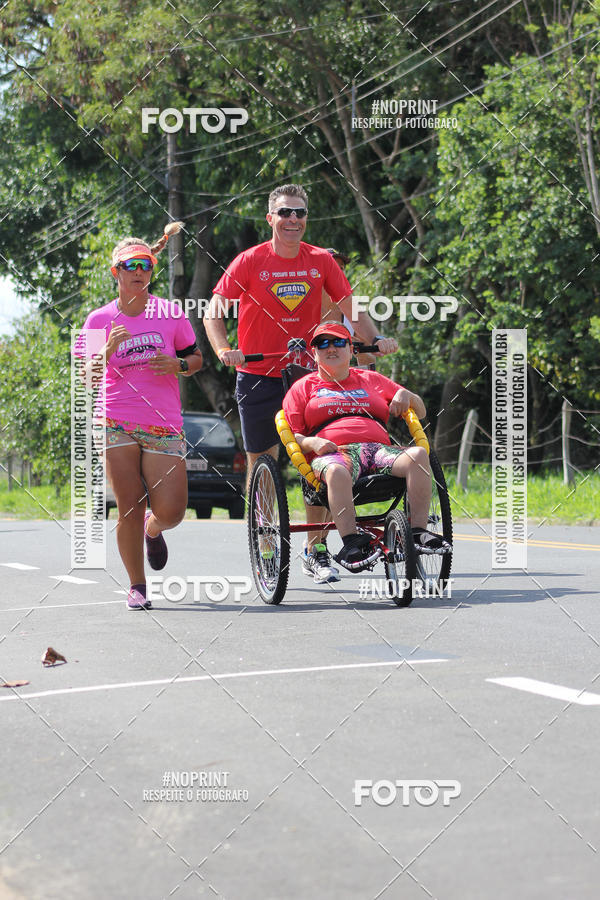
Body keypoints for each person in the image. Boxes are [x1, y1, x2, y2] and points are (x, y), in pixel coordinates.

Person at [204, 183, 397, 583]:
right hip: (257, 372)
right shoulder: (249, 261)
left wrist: (372, 341)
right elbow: (213, 313)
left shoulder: (321, 261)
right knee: (263, 461)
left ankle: (316, 549)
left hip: (307, 374)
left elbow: (352, 310)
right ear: (270, 218)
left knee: (320, 456)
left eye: (300, 213)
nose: (294, 220)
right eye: (286, 213)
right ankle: (267, 541)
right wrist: (225, 350)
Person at [76, 223, 203, 609]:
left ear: (151, 271)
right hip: (116, 421)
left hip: (163, 423)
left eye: (145, 266)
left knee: (173, 511)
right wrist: (105, 352)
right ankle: (138, 586)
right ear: (116, 272)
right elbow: (86, 378)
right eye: (129, 266)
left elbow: (197, 359)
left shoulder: (171, 313)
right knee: (128, 504)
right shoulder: (99, 320)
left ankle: (154, 529)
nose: (138, 272)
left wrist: (178, 364)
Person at [282, 322, 450, 569]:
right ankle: (352, 543)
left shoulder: (371, 379)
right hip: (334, 453)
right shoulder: (302, 388)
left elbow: (421, 411)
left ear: (351, 350)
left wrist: (407, 396)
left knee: (418, 455)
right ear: (314, 352)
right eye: (322, 343)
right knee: (337, 471)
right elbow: (290, 435)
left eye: (339, 342)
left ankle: (417, 533)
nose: (331, 348)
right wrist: (312, 442)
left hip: (376, 450)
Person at [321, 249, 377, 370]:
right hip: (305, 381)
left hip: (338, 381)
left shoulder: (352, 314)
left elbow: (369, 360)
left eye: (341, 269)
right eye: (332, 267)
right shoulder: (302, 306)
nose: (337, 273)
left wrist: (358, 349)